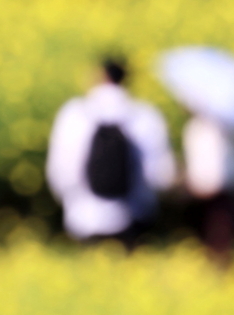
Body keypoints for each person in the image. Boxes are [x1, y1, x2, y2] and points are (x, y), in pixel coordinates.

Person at [45, 58, 176, 245]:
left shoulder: (74, 114)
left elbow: (60, 171)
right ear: (127, 78)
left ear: (99, 75)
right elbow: (161, 175)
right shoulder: (146, 115)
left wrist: (72, 203)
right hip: (134, 220)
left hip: (83, 220)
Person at [181, 113, 234, 258]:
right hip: (206, 197)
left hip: (219, 196)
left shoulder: (219, 128)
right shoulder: (199, 127)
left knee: (221, 245)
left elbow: (218, 173)